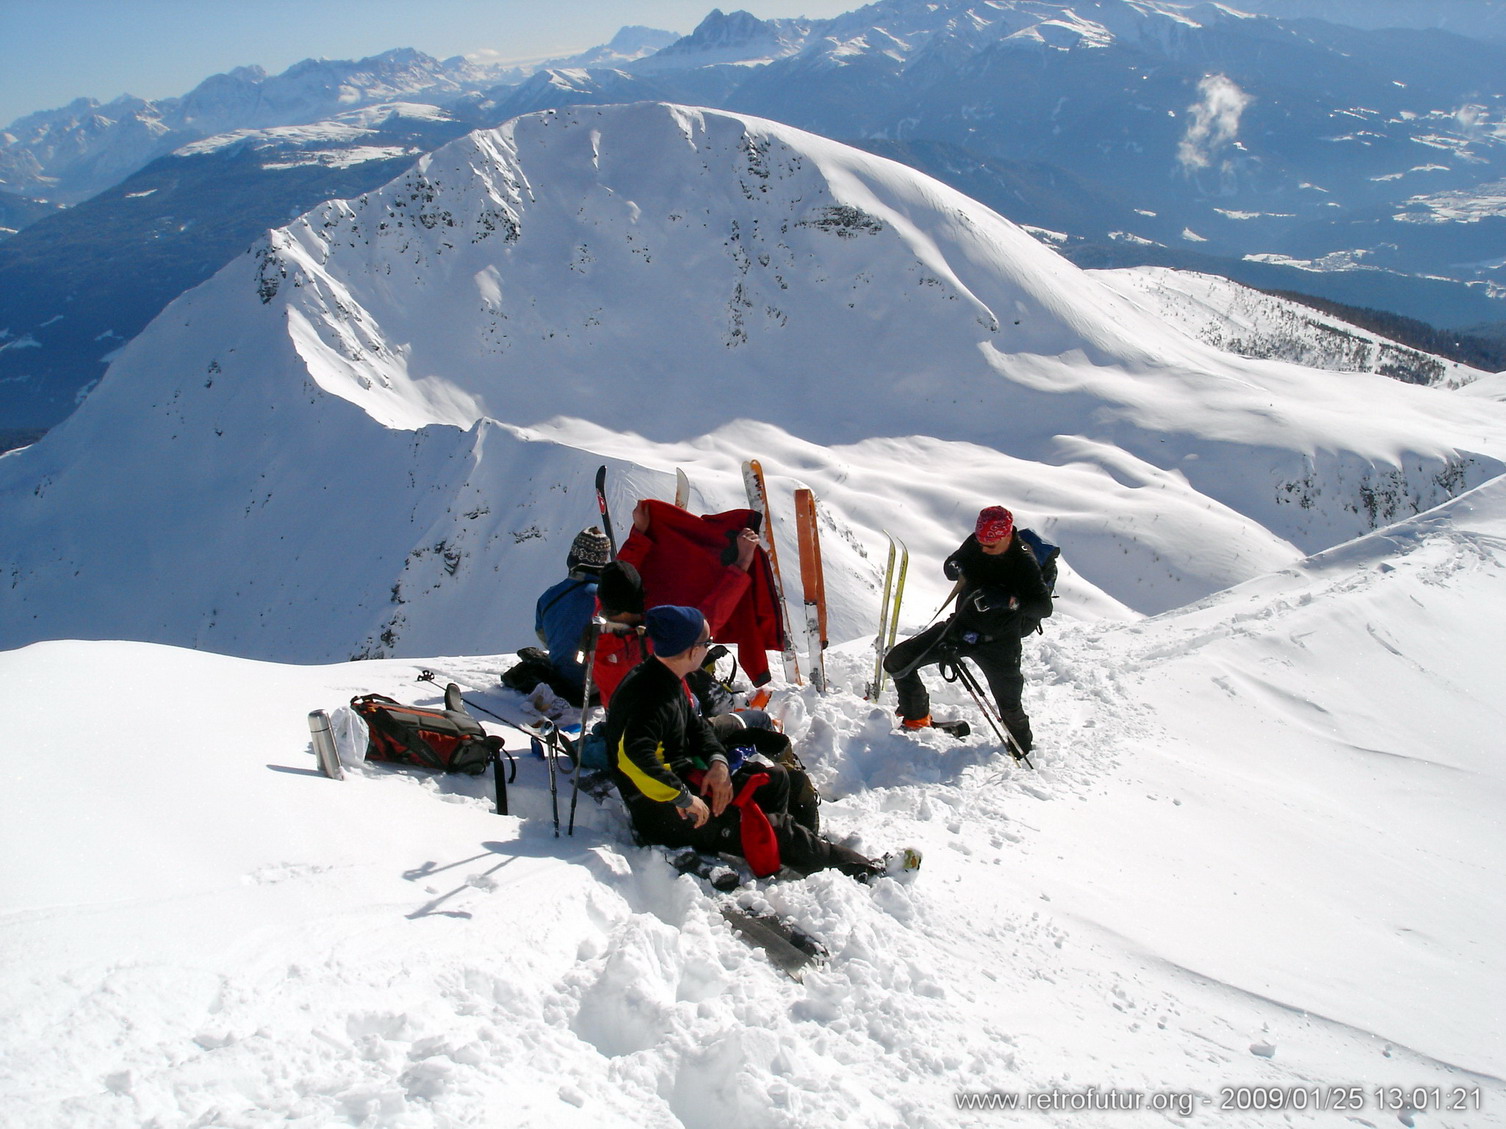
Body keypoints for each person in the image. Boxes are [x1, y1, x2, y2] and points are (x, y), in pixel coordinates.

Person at [605, 606, 887, 879]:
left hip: (684, 783)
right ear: (692, 651)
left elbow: (698, 728)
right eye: (707, 642)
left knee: (774, 778)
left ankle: (788, 847)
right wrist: (683, 797)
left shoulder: (666, 677)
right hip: (666, 812)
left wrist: (717, 764)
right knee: (775, 825)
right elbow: (632, 756)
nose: (709, 647)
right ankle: (859, 868)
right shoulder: (651, 697)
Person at [883, 505, 1052, 751]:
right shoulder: (978, 541)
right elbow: (954, 562)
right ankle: (917, 720)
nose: (983, 548)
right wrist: (955, 566)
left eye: (990, 546)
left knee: (1009, 705)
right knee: (898, 661)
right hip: (961, 628)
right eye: (980, 542)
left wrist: (1009, 601)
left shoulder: (1024, 562)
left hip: (1000, 642)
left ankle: (1021, 747)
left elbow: (1043, 608)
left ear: (1007, 537)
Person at [503, 526, 610, 707]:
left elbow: (546, 638)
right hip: (600, 688)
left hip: (563, 682)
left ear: (573, 557)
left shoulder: (550, 597)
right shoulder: (610, 601)